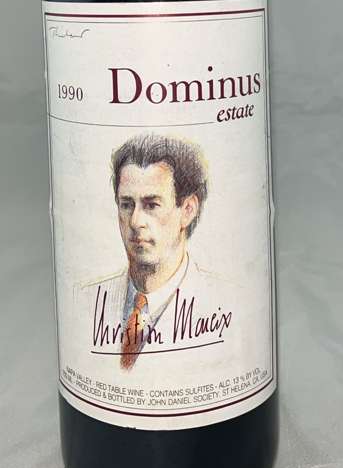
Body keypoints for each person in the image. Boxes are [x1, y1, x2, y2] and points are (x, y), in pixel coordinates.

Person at [76, 133, 234, 369]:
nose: (135, 221)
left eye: (151, 205)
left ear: (188, 210)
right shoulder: (84, 300)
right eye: (126, 205)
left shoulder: (228, 301)